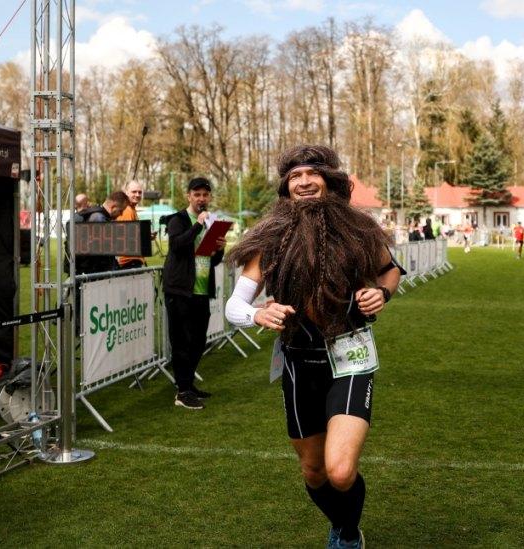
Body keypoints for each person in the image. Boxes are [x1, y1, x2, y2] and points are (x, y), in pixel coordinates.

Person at [225, 145, 402, 549]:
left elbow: (390, 270)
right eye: (295, 177)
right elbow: (235, 304)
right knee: (314, 471)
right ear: (286, 187)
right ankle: (343, 523)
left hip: (351, 357)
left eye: (312, 174)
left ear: (330, 181)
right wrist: (257, 314)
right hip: (298, 363)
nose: (304, 182)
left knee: (339, 470)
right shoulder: (270, 238)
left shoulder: (359, 230)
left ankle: (348, 535)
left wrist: (381, 293)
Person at [163, 177, 225, 410]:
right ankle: (183, 392)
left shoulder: (210, 222)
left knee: (198, 342)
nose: (201, 199)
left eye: (205, 195)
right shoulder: (177, 220)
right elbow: (177, 246)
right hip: (180, 290)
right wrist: (198, 224)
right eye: (197, 194)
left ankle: (187, 384)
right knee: (181, 342)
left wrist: (220, 249)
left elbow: (211, 259)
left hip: (201, 289)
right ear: (188, 196)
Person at [73, 191, 128, 275]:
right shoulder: (99, 218)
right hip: (97, 275)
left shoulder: (95, 214)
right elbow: (102, 254)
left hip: (91, 273)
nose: (121, 214)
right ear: (113, 207)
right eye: (121, 210)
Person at [117, 180, 146, 270]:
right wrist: (145, 236)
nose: (137, 195)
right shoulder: (127, 210)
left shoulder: (131, 208)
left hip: (131, 260)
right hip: (129, 261)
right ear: (126, 193)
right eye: (134, 192)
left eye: (139, 192)